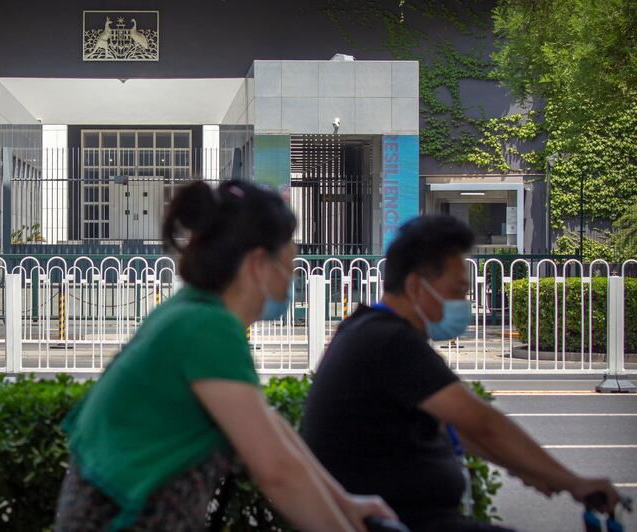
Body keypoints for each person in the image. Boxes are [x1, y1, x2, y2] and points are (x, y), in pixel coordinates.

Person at [54, 180, 397, 531]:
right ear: (258, 264)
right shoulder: (207, 327)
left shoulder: (190, 311)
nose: (293, 277)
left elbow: (269, 427)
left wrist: (342, 502)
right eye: (291, 263)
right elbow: (277, 471)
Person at [301, 215, 620, 532]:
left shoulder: (366, 328)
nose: (463, 303)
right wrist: (573, 481)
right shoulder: (391, 341)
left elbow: (453, 427)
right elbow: (482, 425)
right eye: (456, 291)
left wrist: (529, 469)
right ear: (415, 286)